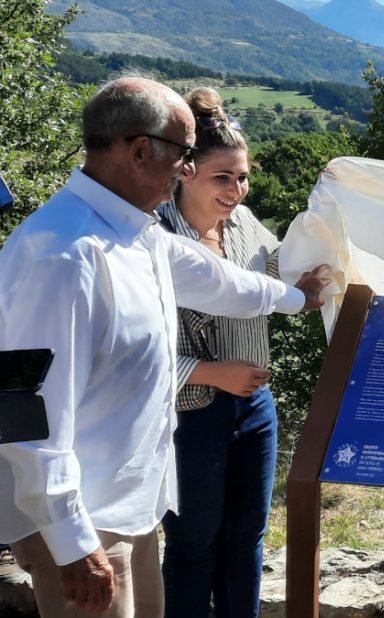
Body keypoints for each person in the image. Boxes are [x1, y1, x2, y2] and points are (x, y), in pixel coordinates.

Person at [0, 76, 331, 618]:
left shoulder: (136, 230)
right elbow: (24, 411)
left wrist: (296, 298)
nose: (185, 169)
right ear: (137, 150)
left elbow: (220, 281)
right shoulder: (60, 255)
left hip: (127, 509)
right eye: (182, 154)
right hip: (82, 529)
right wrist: (71, 542)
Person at [155, 87, 282, 617]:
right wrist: (209, 372)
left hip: (256, 410)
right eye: (223, 177)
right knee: (193, 545)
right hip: (188, 415)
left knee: (247, 539)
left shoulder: (247, 226)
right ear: (185, 172)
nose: (238, 190)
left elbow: (281, 281)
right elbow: (130, 348)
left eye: (243, 176)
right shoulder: (154, 235)